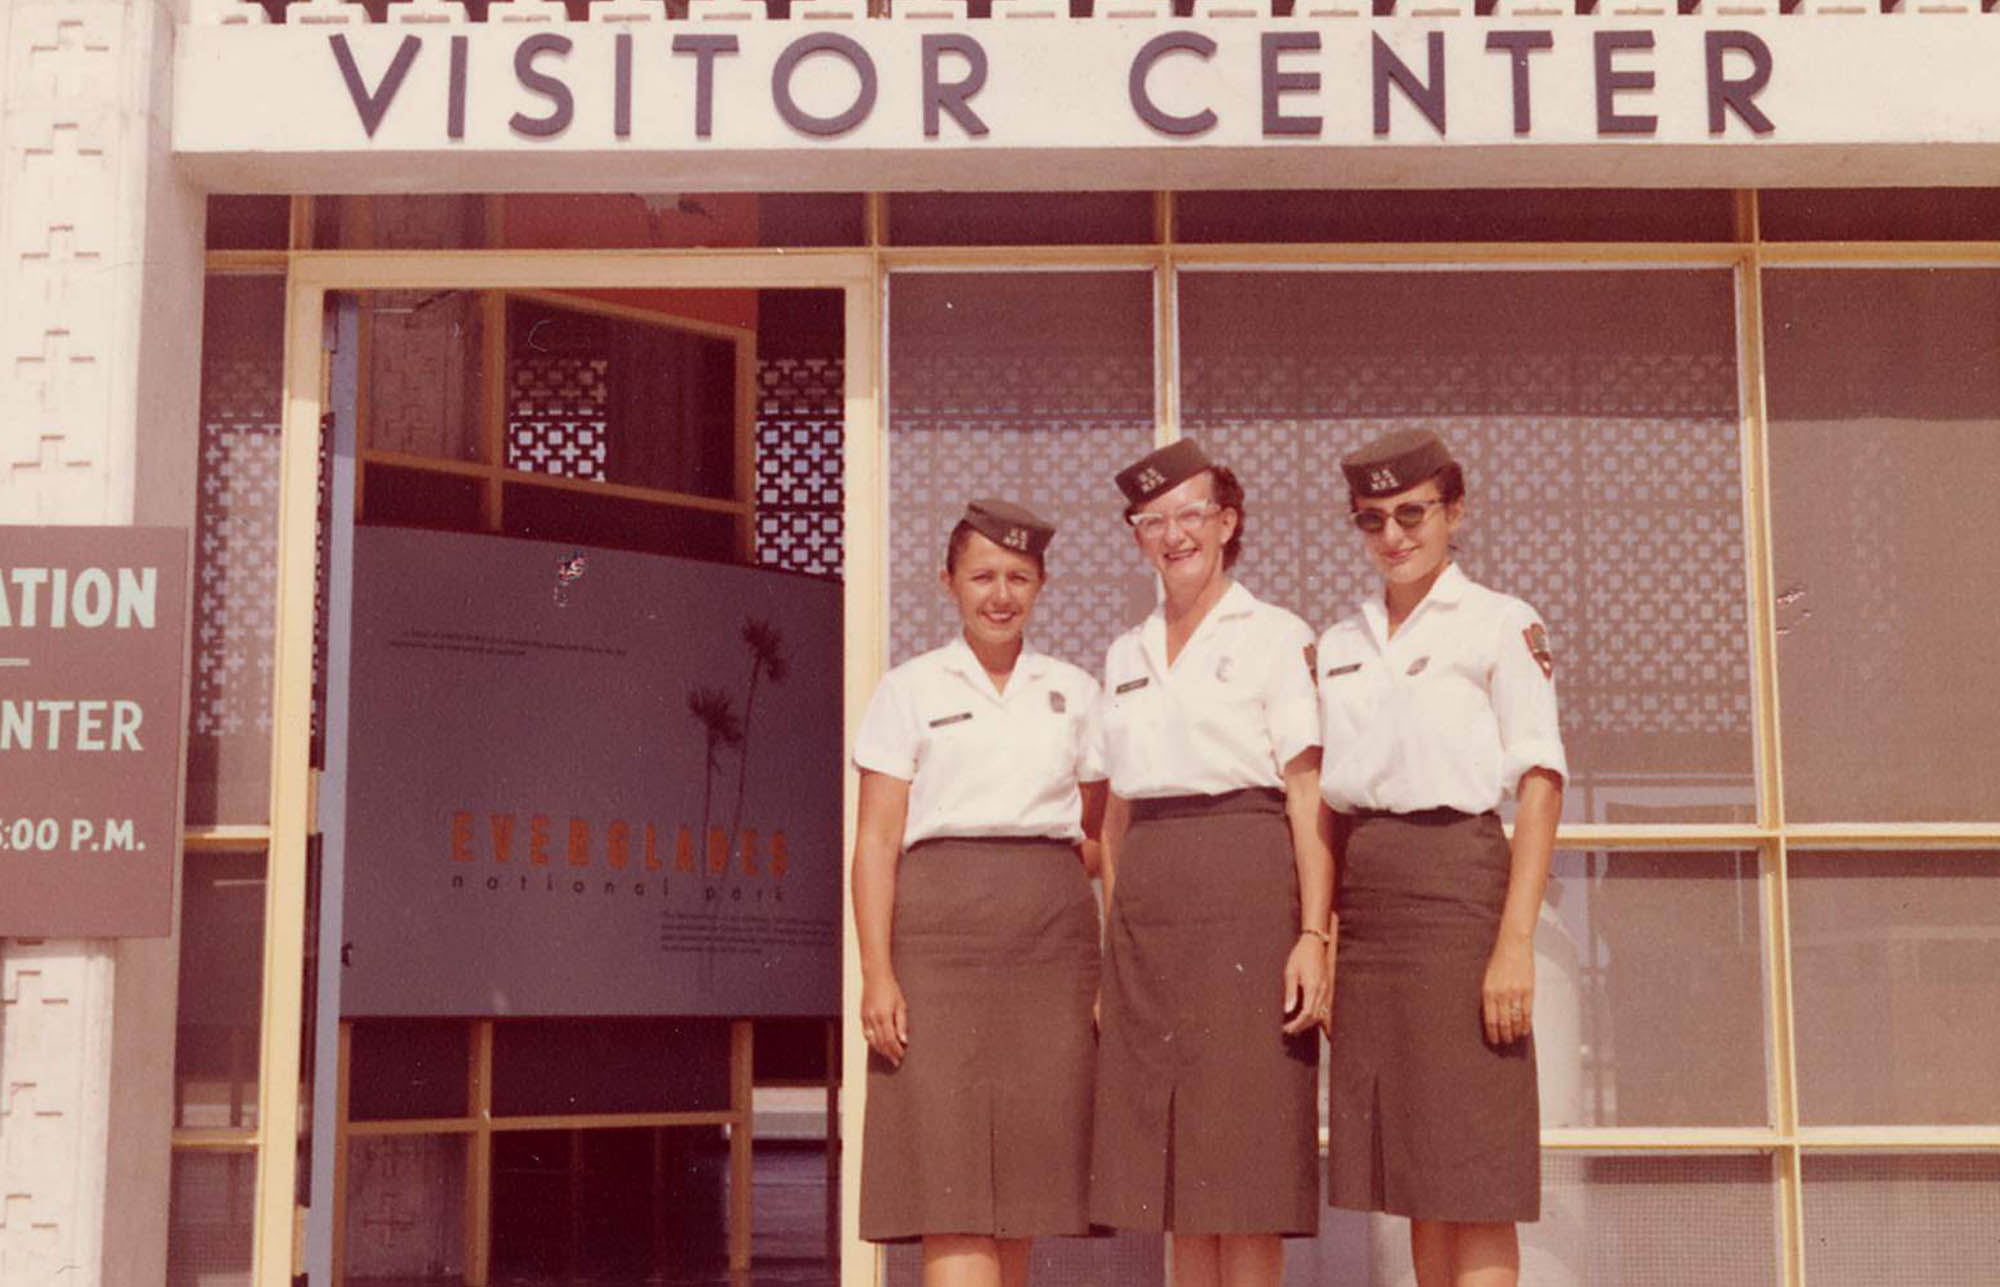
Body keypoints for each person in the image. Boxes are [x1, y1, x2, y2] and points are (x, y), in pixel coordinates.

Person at [1315, 428, 1567, 1287]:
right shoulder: (1338, 642)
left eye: (1412, 513)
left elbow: (1539, 782)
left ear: (1454, 511)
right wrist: (1333, 935)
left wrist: (1515, 941)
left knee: (1477, 1172)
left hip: (1461, 891)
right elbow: (1333, 805)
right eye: (1372, 518)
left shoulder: (1501, 621)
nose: (1393, 535)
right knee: (1421, 1173)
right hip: (1373, 902)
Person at [1090, 438, 1333, 1287]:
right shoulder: (1125, 653)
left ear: (1227, 523)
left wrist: (1312, 934)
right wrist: (1118, 931)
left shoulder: (1276, 635)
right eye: (1152, 520)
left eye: (1191, 514)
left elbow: (1308, 796)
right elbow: (1114, 816)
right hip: (1152, 914)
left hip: (1247, 894)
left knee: (1245, 1163)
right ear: (1137, 538)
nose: (1173, 534)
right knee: (1176, 1174)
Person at [851, 498, 1107, 1287]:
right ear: (948, 582)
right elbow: (876, 841)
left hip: (1050, 946)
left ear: (1041, 585)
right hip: (938, 941)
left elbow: (1097, 833)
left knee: (1025, 1184)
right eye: (984, 576)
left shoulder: (1074, 690)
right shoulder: (910, 688)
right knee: (950, 1173)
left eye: (1019, 577)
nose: (1002, 594)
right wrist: (878, 971)